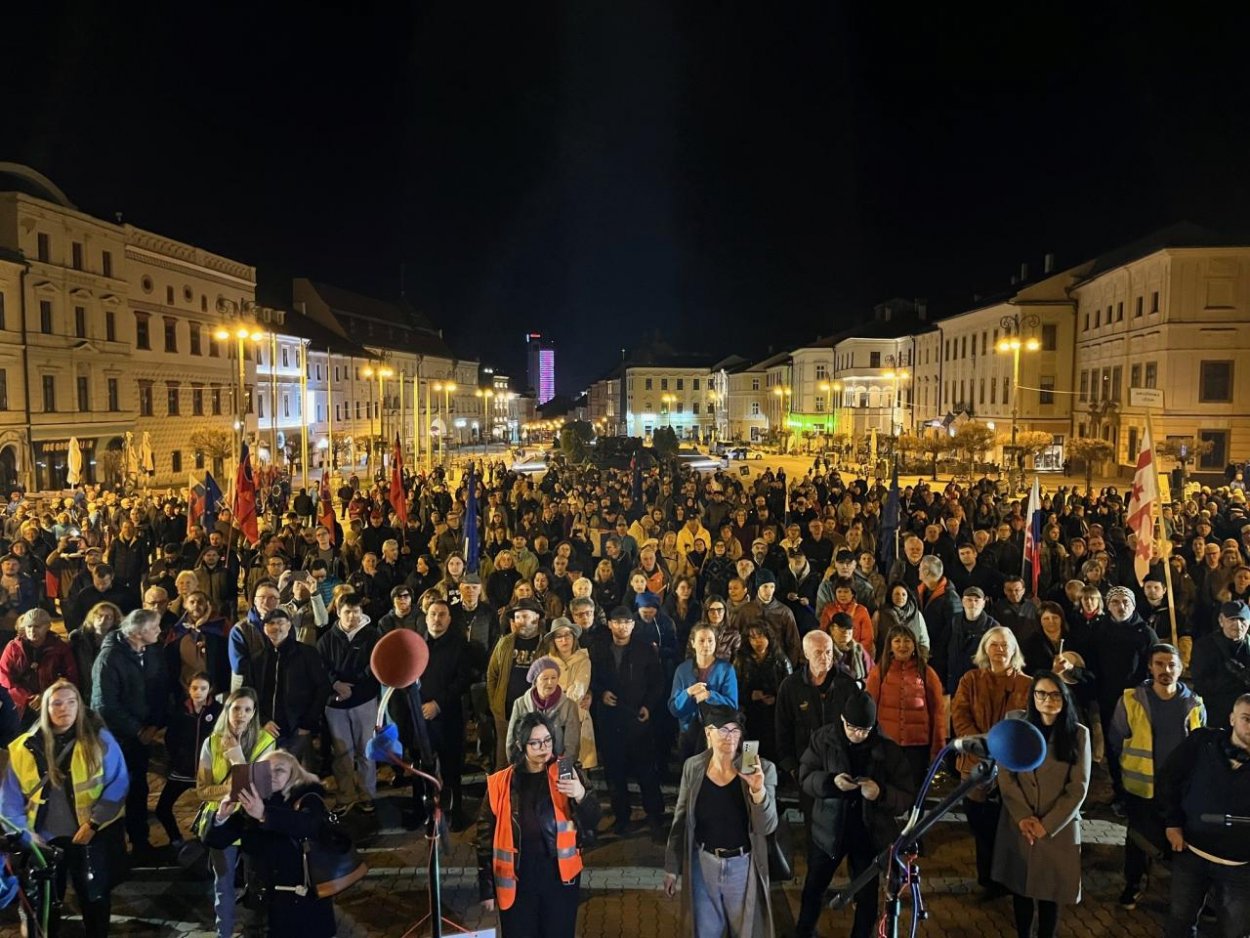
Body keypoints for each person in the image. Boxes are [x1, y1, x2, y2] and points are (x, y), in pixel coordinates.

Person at [0, 679, 129, 938]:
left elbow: (118, 781)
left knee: (94, 899)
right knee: (45, 905)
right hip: (43, 842)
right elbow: (9, 800)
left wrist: (93, 824)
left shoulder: (99, 742)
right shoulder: (23, 748)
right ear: (45, 708)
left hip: (88, 838)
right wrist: (27, 835)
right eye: (57, 703)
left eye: (71, 702)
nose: (64, 709)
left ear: (80, 707)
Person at [796, 692, 915, 938]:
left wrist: (880, 793)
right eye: (852, 728)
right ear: (842, 719)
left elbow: (905, 795)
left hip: (867, 833)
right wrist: (830, 782)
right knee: (814, 888)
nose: (858, 734)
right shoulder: (824, 738)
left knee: (867, 898)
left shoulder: (887, 749)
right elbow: (806, 776)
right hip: (828, 829)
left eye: (864, 730)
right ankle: (804, 932)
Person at [476, 711, 601, 938]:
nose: (544, 747)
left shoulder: (565, 771)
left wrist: (581, 794)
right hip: (517, 882)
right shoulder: (500, 784)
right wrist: (487, 890)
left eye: (547, 740)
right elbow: (484, 839)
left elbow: (594, 819)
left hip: (559, 879)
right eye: (535, 743)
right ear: (520, 745)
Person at [663, 703, 778, 936]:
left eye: (735, 730)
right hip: (704, 865)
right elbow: (681, 819)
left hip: (741, 867)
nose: (730, 737)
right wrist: (672, 867)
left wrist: (758, 791)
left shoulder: (761, 769)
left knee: (745, 931)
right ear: (708, 733)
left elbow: (767, 826)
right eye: (723, 730)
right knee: (705, 932)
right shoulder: (693, 767)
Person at [992, 672, 1091, 938]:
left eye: (1055, 694)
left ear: (1064, 698)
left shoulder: (1079, 735)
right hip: (1019, 822)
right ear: (1032, 697)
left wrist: (1045, 825)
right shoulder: (1016, 724)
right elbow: (1006, 774)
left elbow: (1077, 787)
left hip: (1056, 828)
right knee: (1020, 886)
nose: (1048, 700)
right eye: (1041, 694)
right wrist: (1023, 816)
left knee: (1050, 893)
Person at [1108, 643, 1205, 910]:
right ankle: (1133, 885)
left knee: (1181, 842)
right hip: (1141, 786)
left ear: (1181, 668)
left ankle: (1181, 892)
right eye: (1160, 664)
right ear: (1150, 667)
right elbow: (1116, 740)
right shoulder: (1131, 700)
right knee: (1138, 839)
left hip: (1180, 790)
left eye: (1172, 664)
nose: (1166, 670)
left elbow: (1201, 745)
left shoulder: (1194, 703)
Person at [204, 749, 338, 937]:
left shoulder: (308, 798)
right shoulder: (254, 804)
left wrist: (264, 815)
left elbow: (309, 825)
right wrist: (221, 817)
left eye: (280, 770)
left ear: (294, 774)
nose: (272, 775)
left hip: (302, 905)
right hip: (262, 909)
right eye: (267, 770)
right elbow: (217, 841)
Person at [1158, 692, 1250, 937]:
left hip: (1240, 866)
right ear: (1232, 718)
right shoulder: (1201, 743)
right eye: (1246, 719)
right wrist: (1172, 822)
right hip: (1192, 853)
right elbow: (1169, 779)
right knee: (1180, 922)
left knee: (1236, 930)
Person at [952, 625, 1032, 895]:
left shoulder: (1027, 685)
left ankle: (1007, 877)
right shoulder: (970, 680)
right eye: (994, 644)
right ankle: (987, 877)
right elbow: (960, 715)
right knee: (980, 824)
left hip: (1012, 769)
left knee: (1008, 825)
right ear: (985, 648)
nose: (1000, 650)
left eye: (1005, 645)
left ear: (1014, 650)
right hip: (975, 763)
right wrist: (984, 745)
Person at [196, 687, 277, 938]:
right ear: (227, 710)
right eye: (236, 708)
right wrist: (231, 790)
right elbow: (202, 790)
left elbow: (260, 790)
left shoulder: (266, 741)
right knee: (223, 884)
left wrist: (237, 758)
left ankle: (256, 930)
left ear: (254, 714)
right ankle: (225, 933)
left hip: (252, 822)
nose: (241, 715)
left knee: (258, 883)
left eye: (247, 709)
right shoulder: (211, 742)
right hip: (222, 819)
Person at [90, 607, 166, 859]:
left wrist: (154, 723)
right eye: (154, 627)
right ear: (138, 633)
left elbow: (158, 686)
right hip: (117, 739)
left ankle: (140, 843)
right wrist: (137, 730)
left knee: (138, 789)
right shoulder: (109, 658)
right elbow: (104, 705)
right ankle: (111, 850)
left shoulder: (151, 649)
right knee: (115, 791)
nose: (159, 631)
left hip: (141, 735)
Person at [590, 605, 666, 839]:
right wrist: (601, 693)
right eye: (617, 622)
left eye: (626, 622)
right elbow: (590, 679)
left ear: (633, 625)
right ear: (610, 624)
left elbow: (658, 682)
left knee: (647, 773)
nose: (622, 627)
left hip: (637, 720)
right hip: (611, 721)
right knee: (615, 774)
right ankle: (621, 817)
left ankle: (655, 817)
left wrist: (648, 707)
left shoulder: (644, 650)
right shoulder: (599, 650)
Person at [239, 608, 330, 762]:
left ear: (289, 625)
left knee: (298, 779)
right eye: (271, 623)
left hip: (299, 730)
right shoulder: (256, 660)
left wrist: (307, 723)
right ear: (265, 628)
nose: (276, 627)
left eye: (281, 622)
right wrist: (262, 721)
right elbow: (248, 694)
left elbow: (322, 688)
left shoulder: (307, 654)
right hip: (267, 731)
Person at [317, 593, 380, 812]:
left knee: (366, 749)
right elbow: (321, 667)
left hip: (364, 700)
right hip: (336, 704)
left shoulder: (373, 636)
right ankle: (346, 794)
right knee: (342, 751)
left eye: (356, 612)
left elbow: (374, 666)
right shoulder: (326, 639)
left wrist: (353, 687)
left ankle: (367, 793)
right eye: (347, 612)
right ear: (338, 612)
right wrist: (335, 684)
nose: (352, 616)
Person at [865, 624, 947, 790]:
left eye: (907, 641)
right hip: (888, 745)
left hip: (918, 747)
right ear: (890, 645)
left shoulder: (927, 672)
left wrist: (938, 747)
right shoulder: (879, 672)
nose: (902, 646)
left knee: (915, 789)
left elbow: (938, 712)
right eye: (897, 641)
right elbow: (869, 708)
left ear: (914, 645)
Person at [156, 671, 221, 848]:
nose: (198, 692)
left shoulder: (217, 712)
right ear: (188, 689)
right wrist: (176, 758)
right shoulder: (180, 711)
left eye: (203, 688)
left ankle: (208, 842)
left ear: (210, 690)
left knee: (216, 809)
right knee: (162, 808)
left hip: (207, 771)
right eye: (194, 688)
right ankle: (176, 840)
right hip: (182, 770)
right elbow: (171, 737)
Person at [486, 597, 548, 769]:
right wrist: (495, 704)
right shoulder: (505, 642)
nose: (520, 621)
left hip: (535, 714)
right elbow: (492, 674)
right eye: (517, 617)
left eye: (525, 616)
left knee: (534, 762)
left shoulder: (547, 645)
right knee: (503, 762)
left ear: (536, 618)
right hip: (505, 713)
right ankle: (499, 796)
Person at [0, 608, 79, 728]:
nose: (32, 631)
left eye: (37, 626)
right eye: (28, 626)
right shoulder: (13, 648)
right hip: (19, 704)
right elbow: (4, 676)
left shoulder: (60, 648)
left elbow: (70, 677)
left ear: (47, 626)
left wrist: (46, 696)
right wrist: (26, 698)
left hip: (51, 702)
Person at [670, 624, 739, 759]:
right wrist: (688, 693)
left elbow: (732, 705)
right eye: (701, 640)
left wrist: (710, 695)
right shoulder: (682, 670)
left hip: (717, 734)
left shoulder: (726, 669)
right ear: (693, 643)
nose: (706, 645)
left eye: (710, 640)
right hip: (688, 733)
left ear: (716, 643)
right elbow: (674, 709)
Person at [538, 617, 596, 768]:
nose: (564, 640)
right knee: (554, 767)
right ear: (554, 641)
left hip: (576, 716)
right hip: (551, 719)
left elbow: (579, 688)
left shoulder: (583, 660)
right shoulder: (545, 662)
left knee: (576, 766)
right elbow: (542, 690)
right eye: (559, 637)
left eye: (567, 635)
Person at [733, 622, 792, 765]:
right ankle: (749, 771)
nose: (757, 641)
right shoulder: (741, 660)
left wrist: (775, 698)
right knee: (750, 741)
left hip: (774, 711)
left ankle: (775, 773)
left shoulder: (781, 660)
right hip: (749, 712)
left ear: (769, 638)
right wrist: (750, 696)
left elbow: (789, 691)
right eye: (752, 638)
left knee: (773, 740)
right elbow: (734, 690)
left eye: (761, 637)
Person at [507, 654, 583, 764]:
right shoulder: (520, 704)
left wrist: (561, 772)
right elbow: (512, 741)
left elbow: (572, 745)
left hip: (557, 766)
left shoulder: (569, 706)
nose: (550, 682)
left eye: (554, 678)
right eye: (545, 678)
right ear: (535, 681)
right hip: (528, 765)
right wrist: (518, 765)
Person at [1190, 599, 1250, 730]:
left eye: (1242, 620)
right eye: (1232, 619)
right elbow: (1200, 681)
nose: (1238, 625)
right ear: (1221, 621)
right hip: (1215, 715)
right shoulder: (1205, 646)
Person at [68, 601, 122, 702]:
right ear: (92, 617)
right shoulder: (77, 639)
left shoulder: (120, 642)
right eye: (100, 616)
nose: (103, 620)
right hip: (83, 692)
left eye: (109, 617)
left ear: (115, 620)